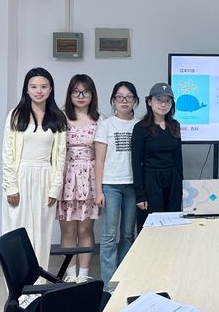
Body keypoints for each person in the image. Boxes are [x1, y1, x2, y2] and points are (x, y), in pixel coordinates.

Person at [1, 67, 67, 273]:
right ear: (26, 89)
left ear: (50, 89)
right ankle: (17, 286)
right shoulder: (15, 115)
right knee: (16, 233)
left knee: (41, 233)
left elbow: (60, 156)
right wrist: (11, 185)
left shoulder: (58, 117)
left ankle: (38, 285)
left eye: (44, 86)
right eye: (34, 86)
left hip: (45, 177)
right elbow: (7, 153)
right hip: (19, 176)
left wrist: (55, 188)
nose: (39, 91)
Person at [56, 74, 102, 283]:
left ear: (92, 94)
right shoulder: (60, 117)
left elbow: (102, 155)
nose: (81, 96)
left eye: (86, 91)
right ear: (70, 94)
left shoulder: (100, 120)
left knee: (85, 229)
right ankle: (69, 274)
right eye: (76, 91)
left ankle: (83, 274)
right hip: (66, 177)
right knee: (68, 230)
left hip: (90, 178)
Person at [94, 81, 140, 289]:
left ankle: (124, 280)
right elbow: (99, 160)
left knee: (128, 235)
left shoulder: (139, 125)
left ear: (135, 101)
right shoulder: (106, 125)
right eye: (119, 97)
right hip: (111, 186)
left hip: (132, 186)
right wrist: (98, 190)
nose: (124, 101)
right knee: (109, 236)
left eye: (129, 97)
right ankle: (109, 286)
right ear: (113, 101)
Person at [132, 83, 183, 232]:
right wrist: (140, 195)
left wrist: (181, 186)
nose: (163, 104)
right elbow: (136, 163)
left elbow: (178, 158)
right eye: (159, 100)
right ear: (150, 102)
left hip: (173, 180)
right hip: (151, 180)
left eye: (167, 100)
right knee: (152, 227)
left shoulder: (175, 125)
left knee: (172, 225)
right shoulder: (141, 128)